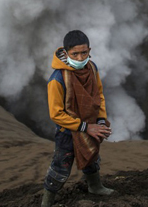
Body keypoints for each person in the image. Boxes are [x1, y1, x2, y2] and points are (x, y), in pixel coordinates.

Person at [41, 30, 114, 207]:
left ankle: (95, 187)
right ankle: (46, 202)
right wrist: (84, 127)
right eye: (75, 54)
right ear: (66, 54)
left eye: (84, 53)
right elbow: (56, 114)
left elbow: (99, 95)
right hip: (67, 132)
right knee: (61, 166)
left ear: (90, 50)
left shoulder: (92, 68)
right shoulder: (57, 79)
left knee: (91, 157)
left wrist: (101, 120)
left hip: (90, 124)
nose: (80, 58)